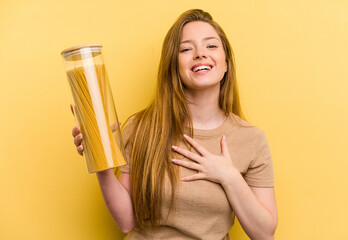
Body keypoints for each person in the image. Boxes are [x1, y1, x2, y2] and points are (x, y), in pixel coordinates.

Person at [72, 9, 278, 240]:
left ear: (226, 63)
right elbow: (126, 221)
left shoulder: (252, 139)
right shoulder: (141, 128)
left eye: (211, 46)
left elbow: (264, 234)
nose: (200, 54)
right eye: (186, 49)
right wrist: (100, 157)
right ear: (174, 66)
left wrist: (229, 176)